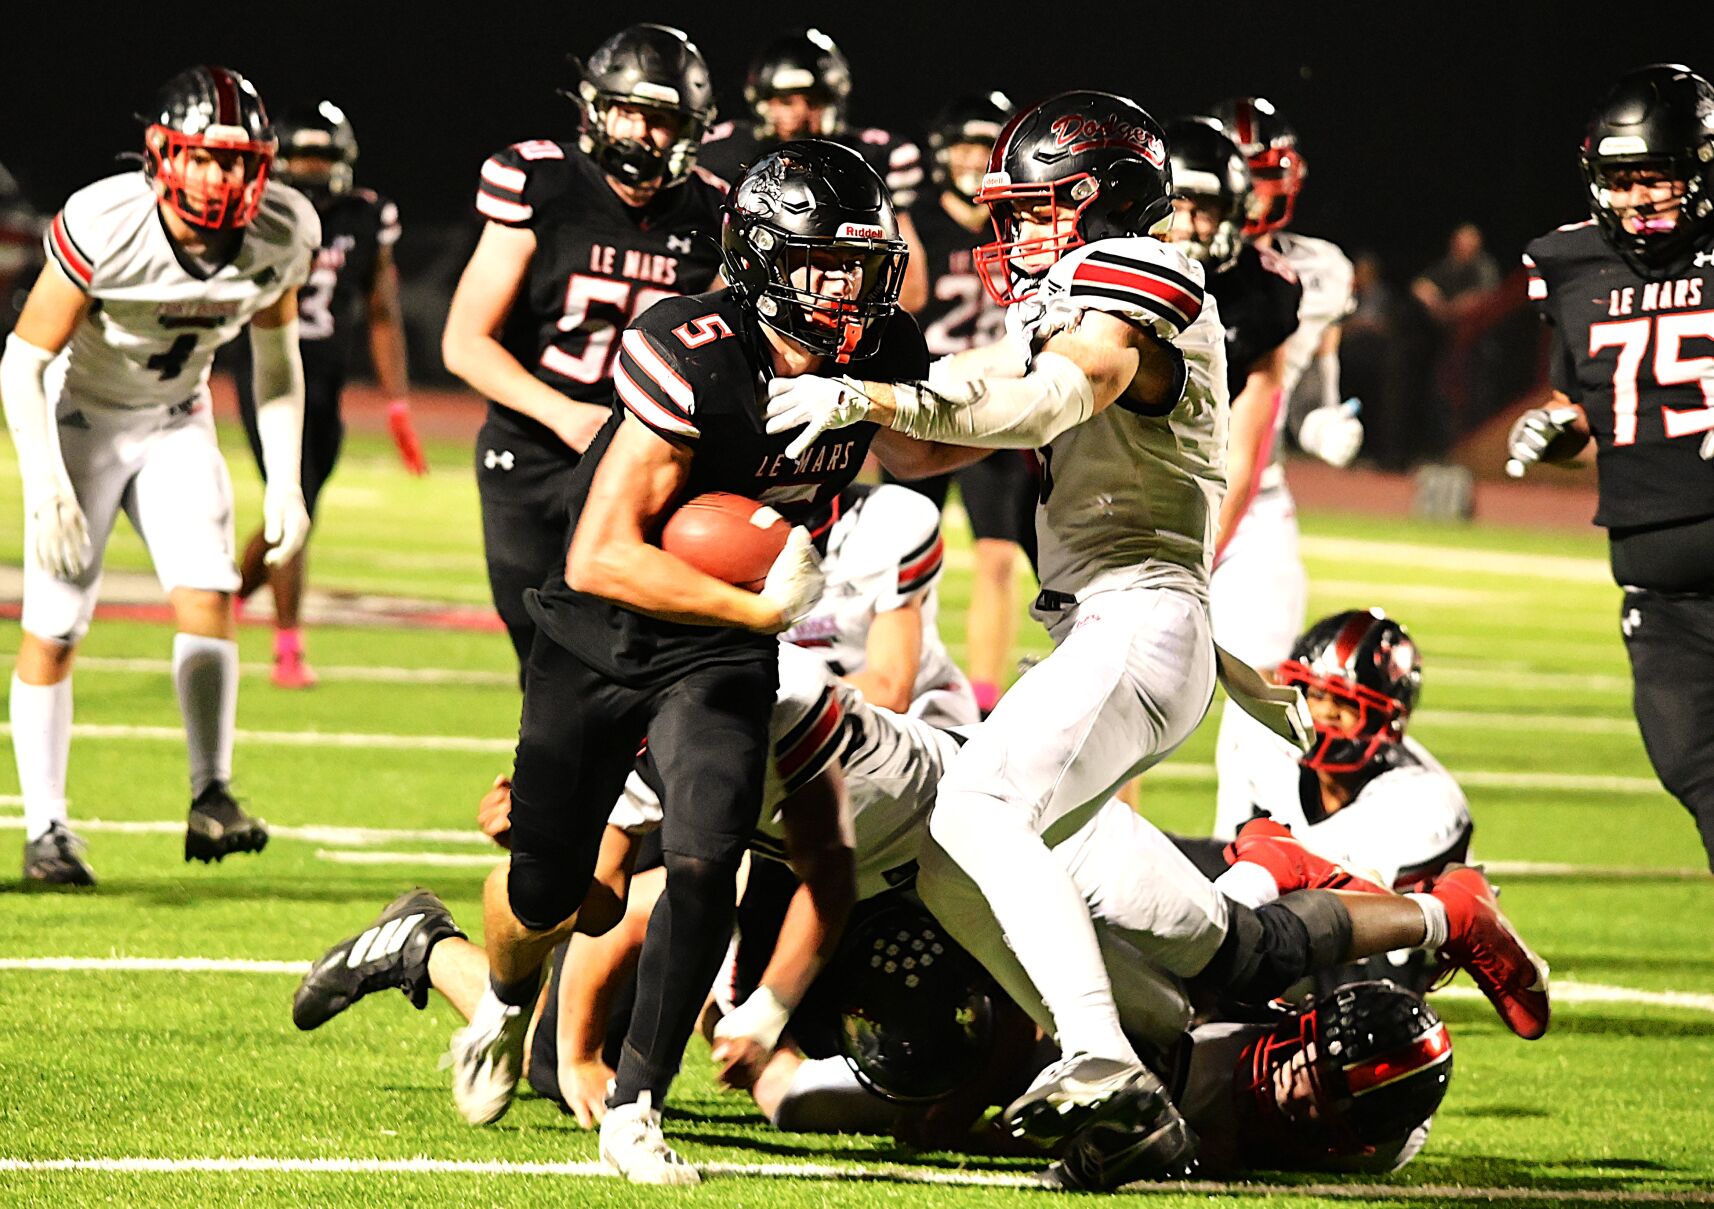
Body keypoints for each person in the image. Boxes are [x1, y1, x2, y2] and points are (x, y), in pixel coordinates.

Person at [762, 90, 1320, 1187]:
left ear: (1106, 196)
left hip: (1139, 614)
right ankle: (1163, 1064)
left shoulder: (1146, 276)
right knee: (948, 859)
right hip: (1114, 623)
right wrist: (881, 401)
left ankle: (1101, 1057)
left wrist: (872, 395)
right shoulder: (1076, 293)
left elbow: (1057, 396)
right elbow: (971, 404)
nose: (1018, 234)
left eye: (1039, 207)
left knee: (974, 807)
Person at [444, 140, 963, 1187]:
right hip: (608, 627)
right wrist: (756, 599)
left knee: (703, 856)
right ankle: (501, 1004)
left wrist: (1021, 413)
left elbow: (918, 452)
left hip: (727, 643)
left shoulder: (877, 345)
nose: (845, 289)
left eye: (858, 265)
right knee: (546, 889)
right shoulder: (696, 346)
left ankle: (636, 1107)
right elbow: (602, 552)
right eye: (819, 264)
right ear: (761, 259)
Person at [3, 65, 317, 884]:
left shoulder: (285, 228)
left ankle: (211, 793)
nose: (222, 177)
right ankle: (47, 830)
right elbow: (24, 359)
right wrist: (45, 483)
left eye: (240, 161)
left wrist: (283, 479)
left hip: (177, 418)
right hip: (83, 418)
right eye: (205, 158)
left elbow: (277, 360)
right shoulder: (107, 219)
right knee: (57, 623)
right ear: (162, 155)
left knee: (210, 595)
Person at [441, 24, 726, 679]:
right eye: (630, 112)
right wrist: (565, 414)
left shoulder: (713, 213)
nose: (643, 135)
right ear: (598, 110)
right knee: (545, 669)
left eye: (663, 120)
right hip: (534, 453)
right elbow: (464, 341)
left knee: (632, 663)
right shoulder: (540, 181)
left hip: (641, 457)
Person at [1509, 63, 1714, 871]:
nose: (1636, 200)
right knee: (1694, 770)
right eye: (1620, 181)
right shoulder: (1571, 264)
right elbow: (1587, 414)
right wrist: (1558, 432)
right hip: (1656, 591)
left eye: (1654, 178)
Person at [1202, 99, 1365, 840]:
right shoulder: (1156, 256)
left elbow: (1295, 390)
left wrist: (1324, 420)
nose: (1257, 195)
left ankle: (1249, 858)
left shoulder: (1310, 271)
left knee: (1265, 691)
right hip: (1155, 495)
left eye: (1265, 178)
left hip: (1255, 495)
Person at [228, 100, 421, 689]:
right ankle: (288, 646)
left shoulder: (366, 215)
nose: (314, 168)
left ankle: (225, 602)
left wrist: (398, 404)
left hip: (327, 381)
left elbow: (382, 310)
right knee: (295, 507)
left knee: (297, 507)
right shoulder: (256, 212)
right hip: (267, 371)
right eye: (304, 155)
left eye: (325, 155)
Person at [894, 92, 1035, 715]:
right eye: (966, 145)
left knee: (999, 556)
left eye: (987, 146)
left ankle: (981, 698)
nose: (975, 159)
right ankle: (902, 674)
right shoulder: (916, 220)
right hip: (920, 399)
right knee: (898, 555)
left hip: (993, 404)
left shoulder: (1021, 225)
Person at [697, 27, 929, 313]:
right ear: (762, 101)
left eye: (813, 101)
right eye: (785, 101)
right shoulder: (723, 153)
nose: (799, 114)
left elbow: (911, 294)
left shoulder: (871, 157)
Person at [784, 482, 978, 726]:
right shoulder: (729, 530)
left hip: (913, 722)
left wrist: (769, 701)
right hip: (795, 721)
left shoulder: (886, 520)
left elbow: (889, 690)